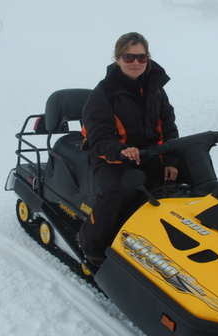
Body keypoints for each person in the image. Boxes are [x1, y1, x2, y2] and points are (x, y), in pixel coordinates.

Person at [79, 32, 182, 264]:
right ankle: (92, 245)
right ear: (117, 58)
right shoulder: (103, 94)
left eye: (141, 57)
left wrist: (172, 161)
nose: (136, 63)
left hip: (149, 153)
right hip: (112, 156)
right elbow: (99, 137)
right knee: (120, 190)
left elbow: (168, 127)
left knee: (188, 176)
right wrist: (121, 151)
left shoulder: (155, 89)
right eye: (129, 57)